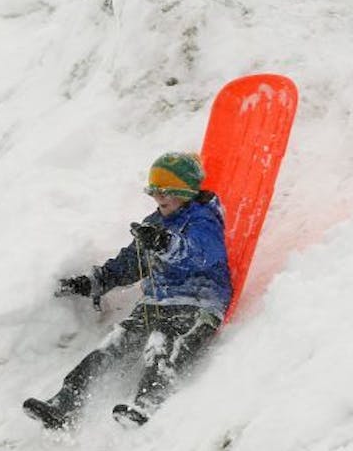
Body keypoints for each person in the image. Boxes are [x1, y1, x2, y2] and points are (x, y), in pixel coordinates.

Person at [23, 152, 232, 429]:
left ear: (185, 191)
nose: (159, 198)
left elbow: (201, 254)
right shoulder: (154, 223)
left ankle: (147, 403)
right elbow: (129, 264)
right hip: (154, 304)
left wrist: (164, 244)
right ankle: (64, 402)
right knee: (112, 345)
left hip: (197, 304)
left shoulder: (203, 221)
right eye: (154, 192)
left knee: (162, 340)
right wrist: (92, 282)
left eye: (165, 191)